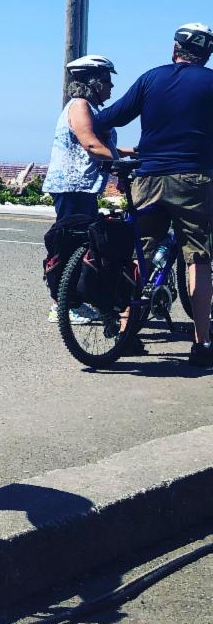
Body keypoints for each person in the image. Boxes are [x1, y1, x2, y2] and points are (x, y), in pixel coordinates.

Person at [96, 22, 213, 367]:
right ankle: (202, 344)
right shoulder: (210, 82)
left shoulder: (151, 79)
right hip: (193, 180)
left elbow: (111, 117)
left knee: (141, 252)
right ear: (206, 55)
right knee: (198, 258)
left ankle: (126, 334)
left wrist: (92, 129)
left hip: (147, 178)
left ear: (175, 49)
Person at [42, 55, 120, 327]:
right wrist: (121, 164)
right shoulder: (80, 106)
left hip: (82, 187)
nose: (111, 87)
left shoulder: (90, 108)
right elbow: (91, 145)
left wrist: (138, 153)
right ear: (94, 83)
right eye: (107, 81)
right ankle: (63, 305)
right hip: (72, 186)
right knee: (69, 245)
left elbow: (103, 147)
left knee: (82, 244)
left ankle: (73, 301)